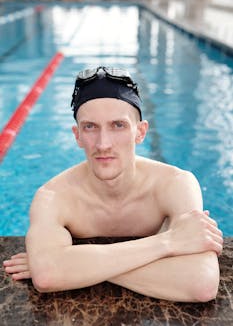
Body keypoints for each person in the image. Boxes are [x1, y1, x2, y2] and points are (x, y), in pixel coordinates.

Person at [3, 66, 223, 302]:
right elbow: (47, 276)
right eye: (90, 127)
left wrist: (72, 265)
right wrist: (168, 242)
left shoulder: (176, 184)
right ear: (77, 136)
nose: (103, 143)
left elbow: (201, 283)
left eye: (118, 125)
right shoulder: (53, 197)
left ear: (140, 132)